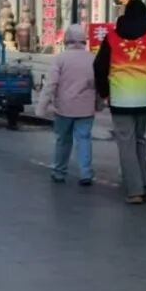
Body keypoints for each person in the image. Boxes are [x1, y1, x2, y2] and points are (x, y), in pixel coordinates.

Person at [94, 0, 146, 204]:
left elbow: (99, 67)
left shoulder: (112, 38)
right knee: (140, 140)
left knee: (126, 144)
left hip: (120, 99)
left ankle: (135, 189)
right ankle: (143, 181)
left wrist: (104, 91)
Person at [36, 24, 97, 186]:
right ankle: (85, 173)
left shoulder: (60, 59)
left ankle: (59, 171)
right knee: (84, 139)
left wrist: (42, 107)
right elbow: (98, 85)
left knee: (63, 140)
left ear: (66, 40)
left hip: (63, 108)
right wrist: (98, 104)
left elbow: (51, 84)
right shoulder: (92, 59)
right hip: (86, 108)